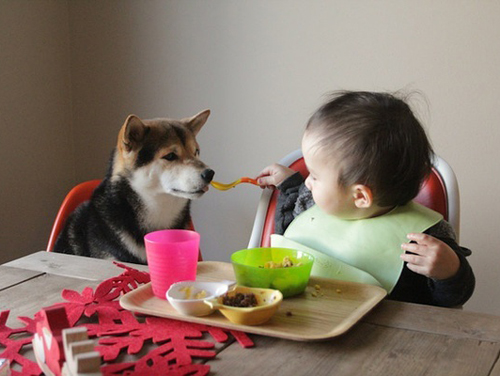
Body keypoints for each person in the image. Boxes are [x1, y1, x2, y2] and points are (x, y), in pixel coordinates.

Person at [256, 91, 474, 307]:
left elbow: (449, 301)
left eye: (314, 176)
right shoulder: (312, 204)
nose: (307, 183)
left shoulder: (423, 240)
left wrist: (450, 271)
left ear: (360, 196)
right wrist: (289, 184)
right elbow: (292, 223)